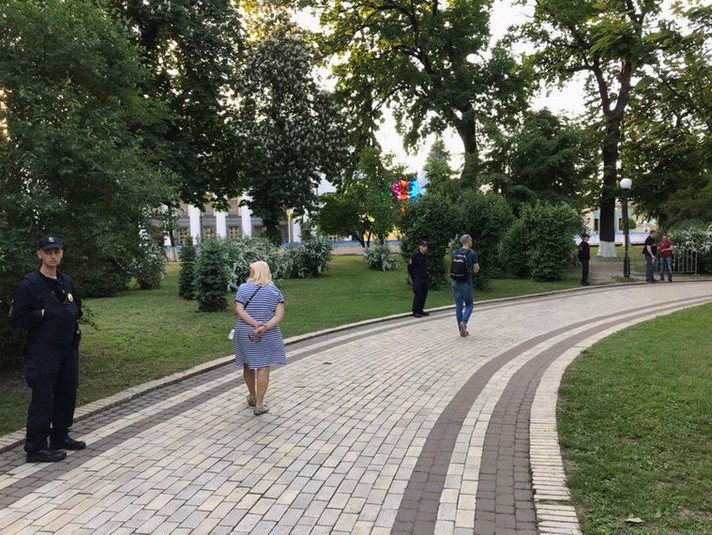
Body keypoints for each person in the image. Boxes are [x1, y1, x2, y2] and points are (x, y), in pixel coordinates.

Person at [8, 236, 85, 463]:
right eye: (48, 251)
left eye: (56, 251)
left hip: (67, 347)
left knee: (67, 394)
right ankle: (36, 447)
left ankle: (60, 437)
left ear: (61, 254)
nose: (52, 255)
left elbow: (76, 307)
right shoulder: (30, 284)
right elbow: (17, 319)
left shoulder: (65, 281)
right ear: (39, 254)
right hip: (43, 350)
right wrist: (42, 314)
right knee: (43, 397)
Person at [234, 261, 286, 416]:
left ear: (254, 272)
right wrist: (265, 326)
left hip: (245, 332)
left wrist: (253, 323)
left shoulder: (243, 288)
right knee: (263, 366)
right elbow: (279, 315)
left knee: (247, 364)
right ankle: (260, 404)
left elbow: (239, 310)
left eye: (251, 270)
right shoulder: (274, 291)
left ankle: (252, 396)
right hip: (267, 333)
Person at [451, 234, 480, 337]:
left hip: (455, 282)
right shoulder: (472, 254)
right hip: (466, 282)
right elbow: (476, 269)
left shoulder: (455, 253)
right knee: (469, 304)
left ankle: (461, 329)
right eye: (471, 240)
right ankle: (464, 322)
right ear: (468, 241)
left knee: (459, 305)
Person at [408, 241, 430, 317]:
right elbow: (410, 267)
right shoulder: (415, 255)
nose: (425, 248)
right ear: (420, 246)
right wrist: (414, 276)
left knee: (424, 294)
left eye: (426, 246)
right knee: (418, 294)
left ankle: (421, 310)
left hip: (424, 277)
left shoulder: (425, 255)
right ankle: (415, 310)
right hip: (417, 278)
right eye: (423, 246)